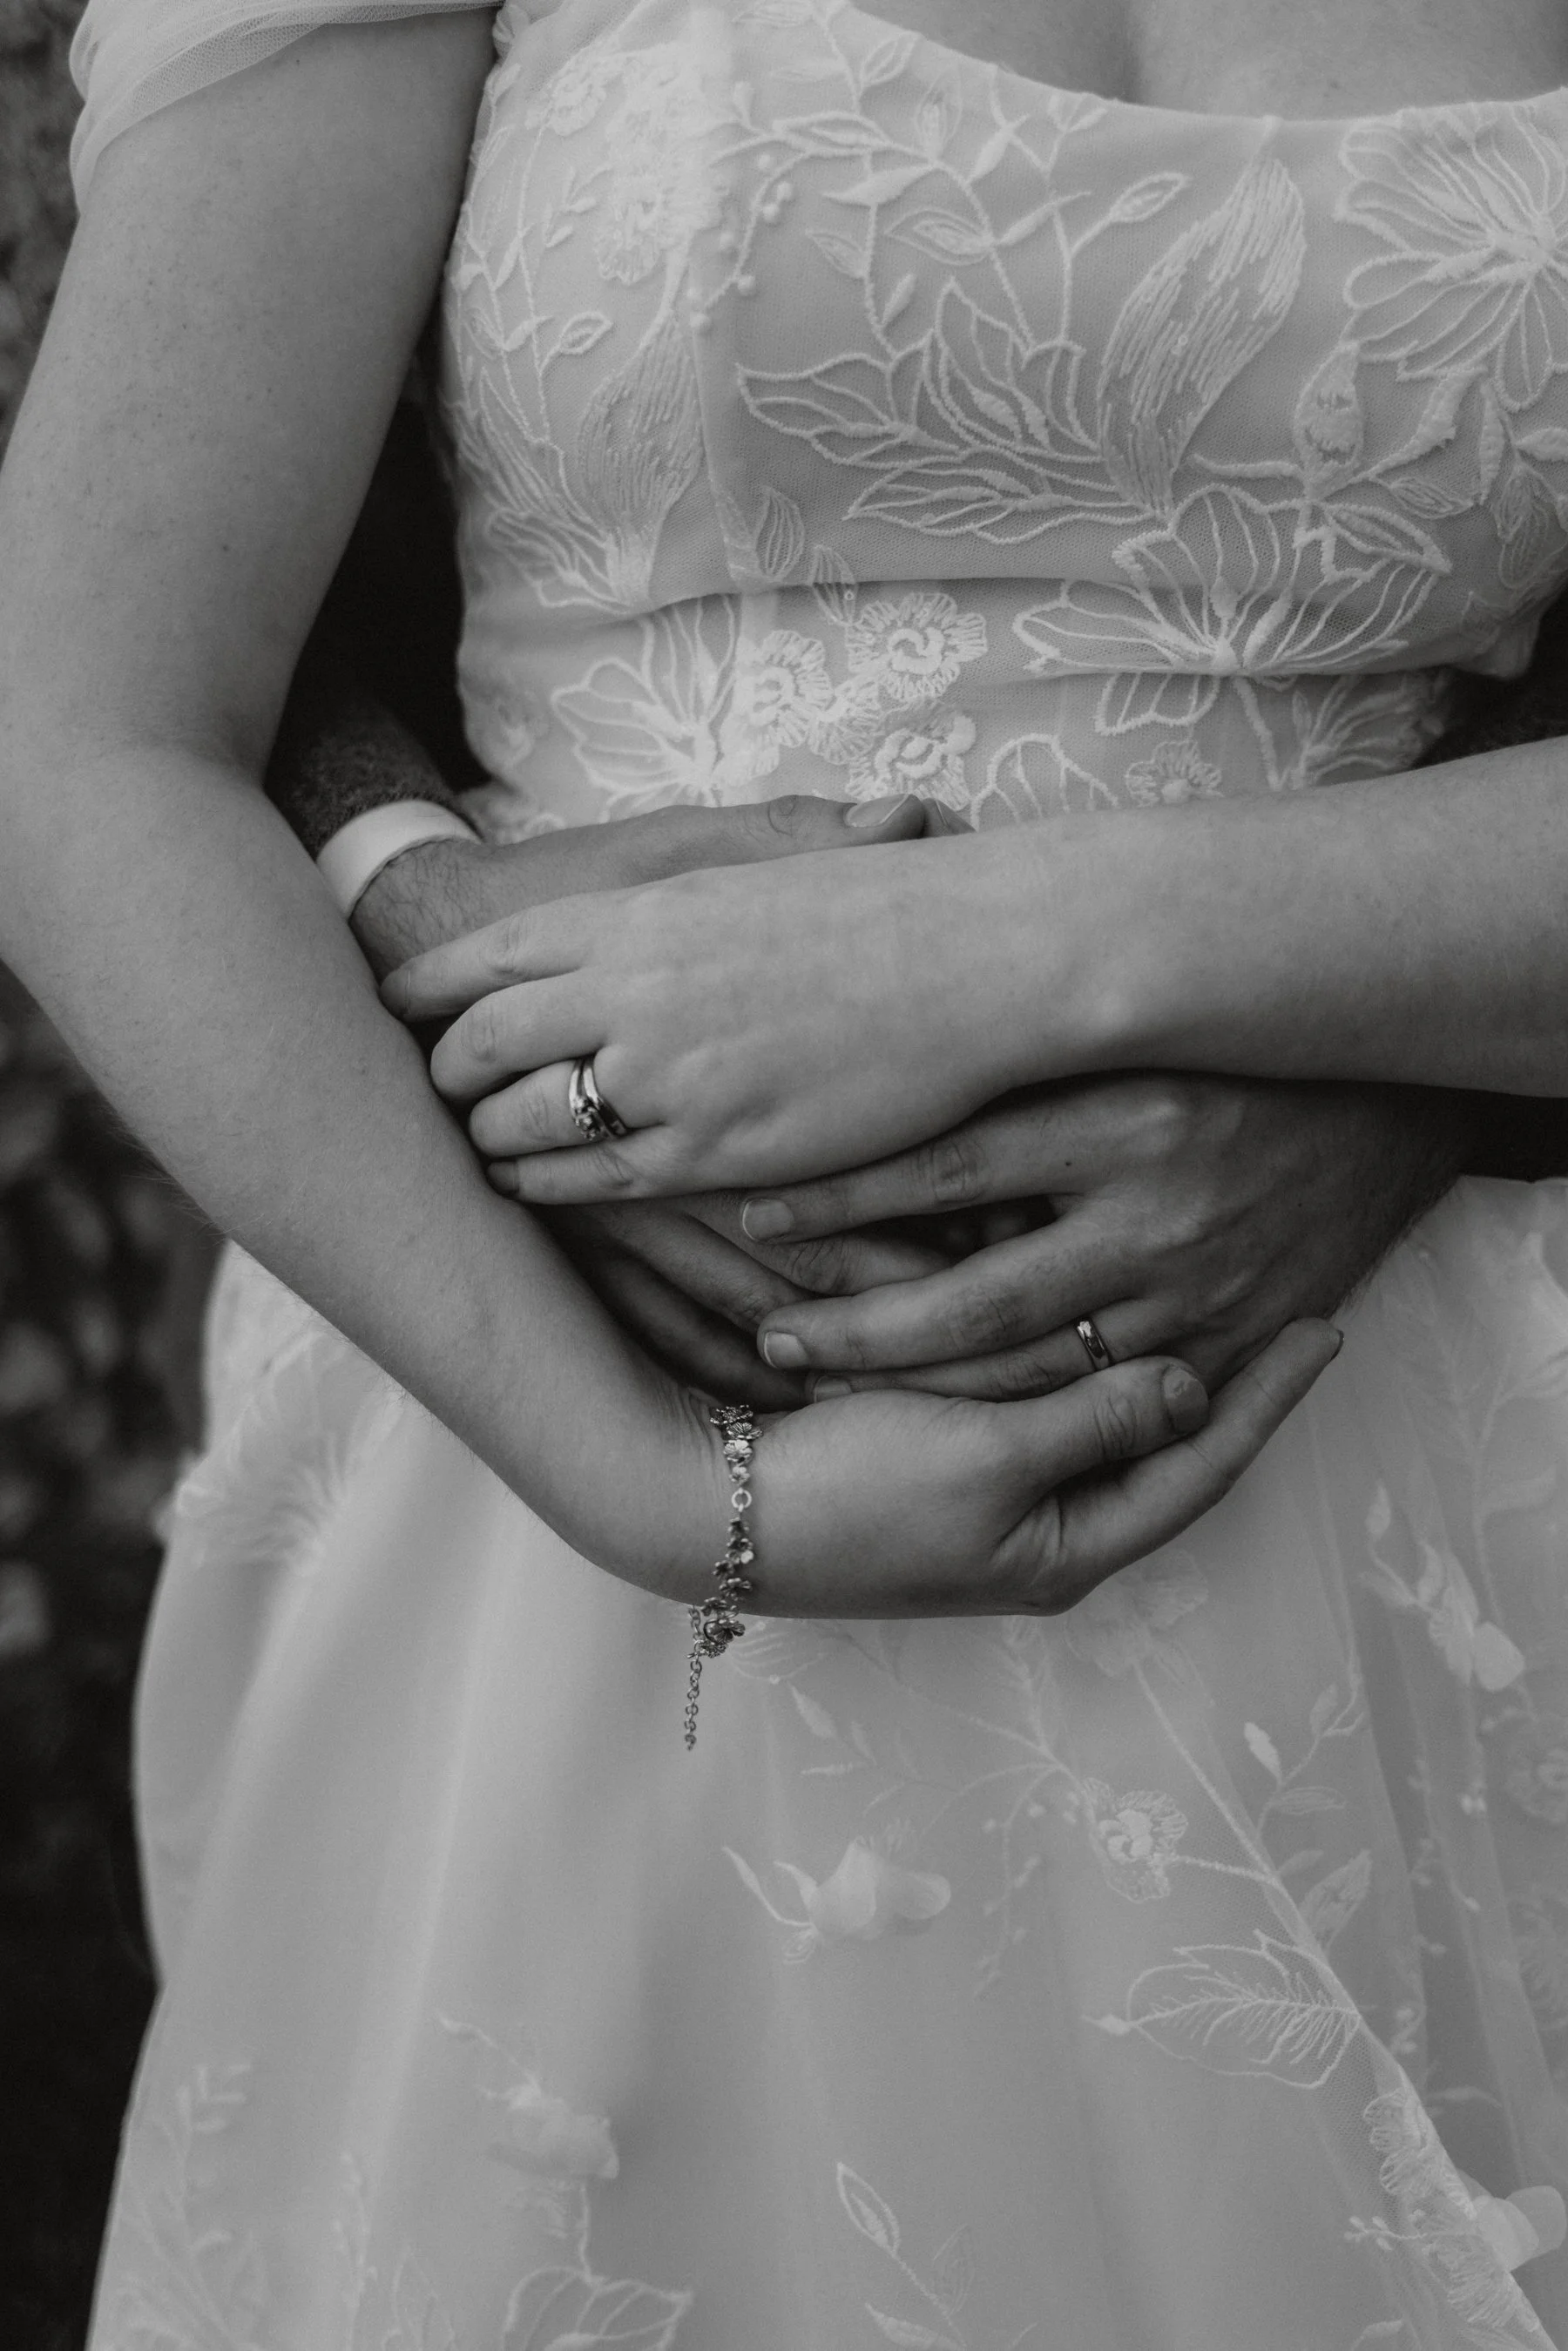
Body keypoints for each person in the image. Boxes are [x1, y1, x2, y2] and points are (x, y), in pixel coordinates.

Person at [3, 3, 1568, 2346]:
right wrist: (652, 1484)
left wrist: (1018, 960)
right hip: (547, 1419)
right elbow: (86, 722)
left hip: (1416, 1465)